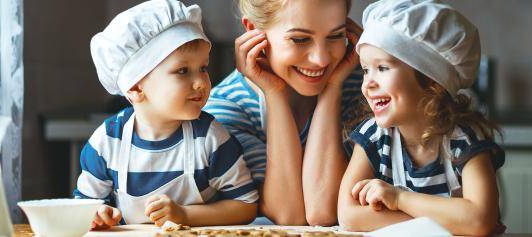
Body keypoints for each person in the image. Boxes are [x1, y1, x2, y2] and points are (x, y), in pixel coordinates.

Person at [74, 0, 258, 228]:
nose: (201, 82)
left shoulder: (210, 138)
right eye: (183, 71)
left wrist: (185, 215)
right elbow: (84, 208)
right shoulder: (107, 142)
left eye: (203, 68)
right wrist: (98, 214)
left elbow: (246, 204)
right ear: (135, 87)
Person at [338, 0, 506, 235]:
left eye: (383, 68)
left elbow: (479, 220)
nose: (368, 84)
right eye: (366, 70)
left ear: (431, 81)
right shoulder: (374, 136)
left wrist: (398, 199)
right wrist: (453, 219)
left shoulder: (464, 140)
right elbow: (349, 215)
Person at [203, 0, 364, 225]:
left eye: (335, 35)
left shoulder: (366, 90)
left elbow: (324, 210)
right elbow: (290, 216)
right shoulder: (225, 110)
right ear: (253, 31)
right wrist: (274, 94)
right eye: (300, 39)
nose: (322, 59)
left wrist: (332, 91)